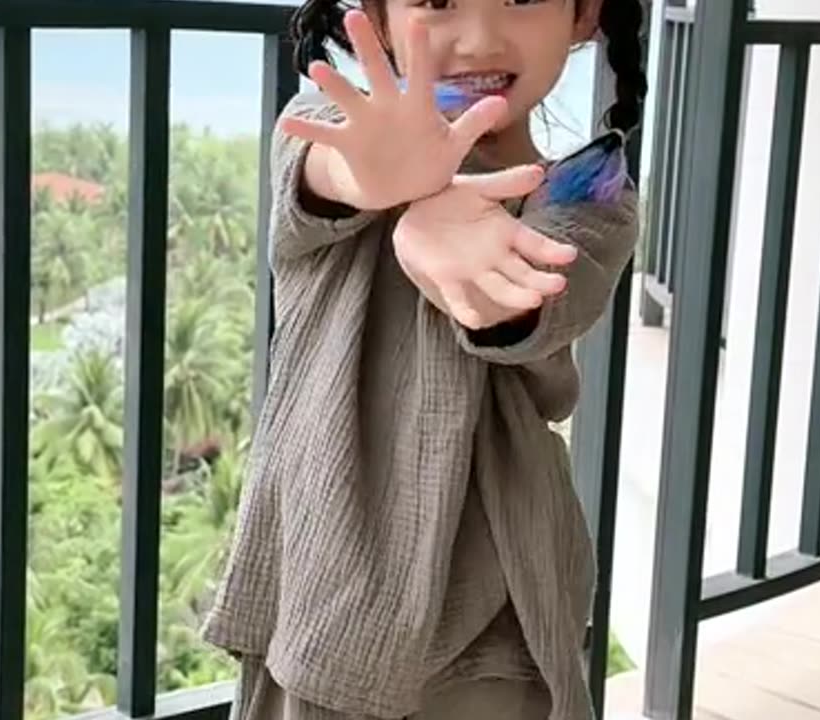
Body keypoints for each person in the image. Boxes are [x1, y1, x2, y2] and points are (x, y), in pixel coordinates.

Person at [201, 0, 646, 716]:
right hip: (325, 567)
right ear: (374, 16)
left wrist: (472, 258)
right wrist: (393, 192)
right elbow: (327, 171)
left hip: (497, 585)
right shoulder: (335, 131)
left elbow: (531, 305)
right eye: (436, 2)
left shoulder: (589, 187)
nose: (478, 38)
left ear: (585, 12)